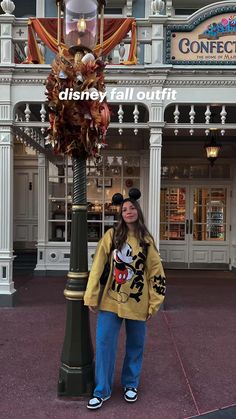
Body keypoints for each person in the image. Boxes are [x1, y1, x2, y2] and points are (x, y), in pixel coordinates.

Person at [83, 188, 166, 410]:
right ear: (120, 214)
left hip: (138, 302)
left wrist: (155, 302)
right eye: (124, 209)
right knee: (104, 344)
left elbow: (156, 272)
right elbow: (98, 266)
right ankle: (102, 390)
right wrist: (91, 294)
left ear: (138, 211)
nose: (128, 212)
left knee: (136, 345)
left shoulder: (146, 240)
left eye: (131, 208)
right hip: (111, 301)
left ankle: (131, 383)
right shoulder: (111, 236)